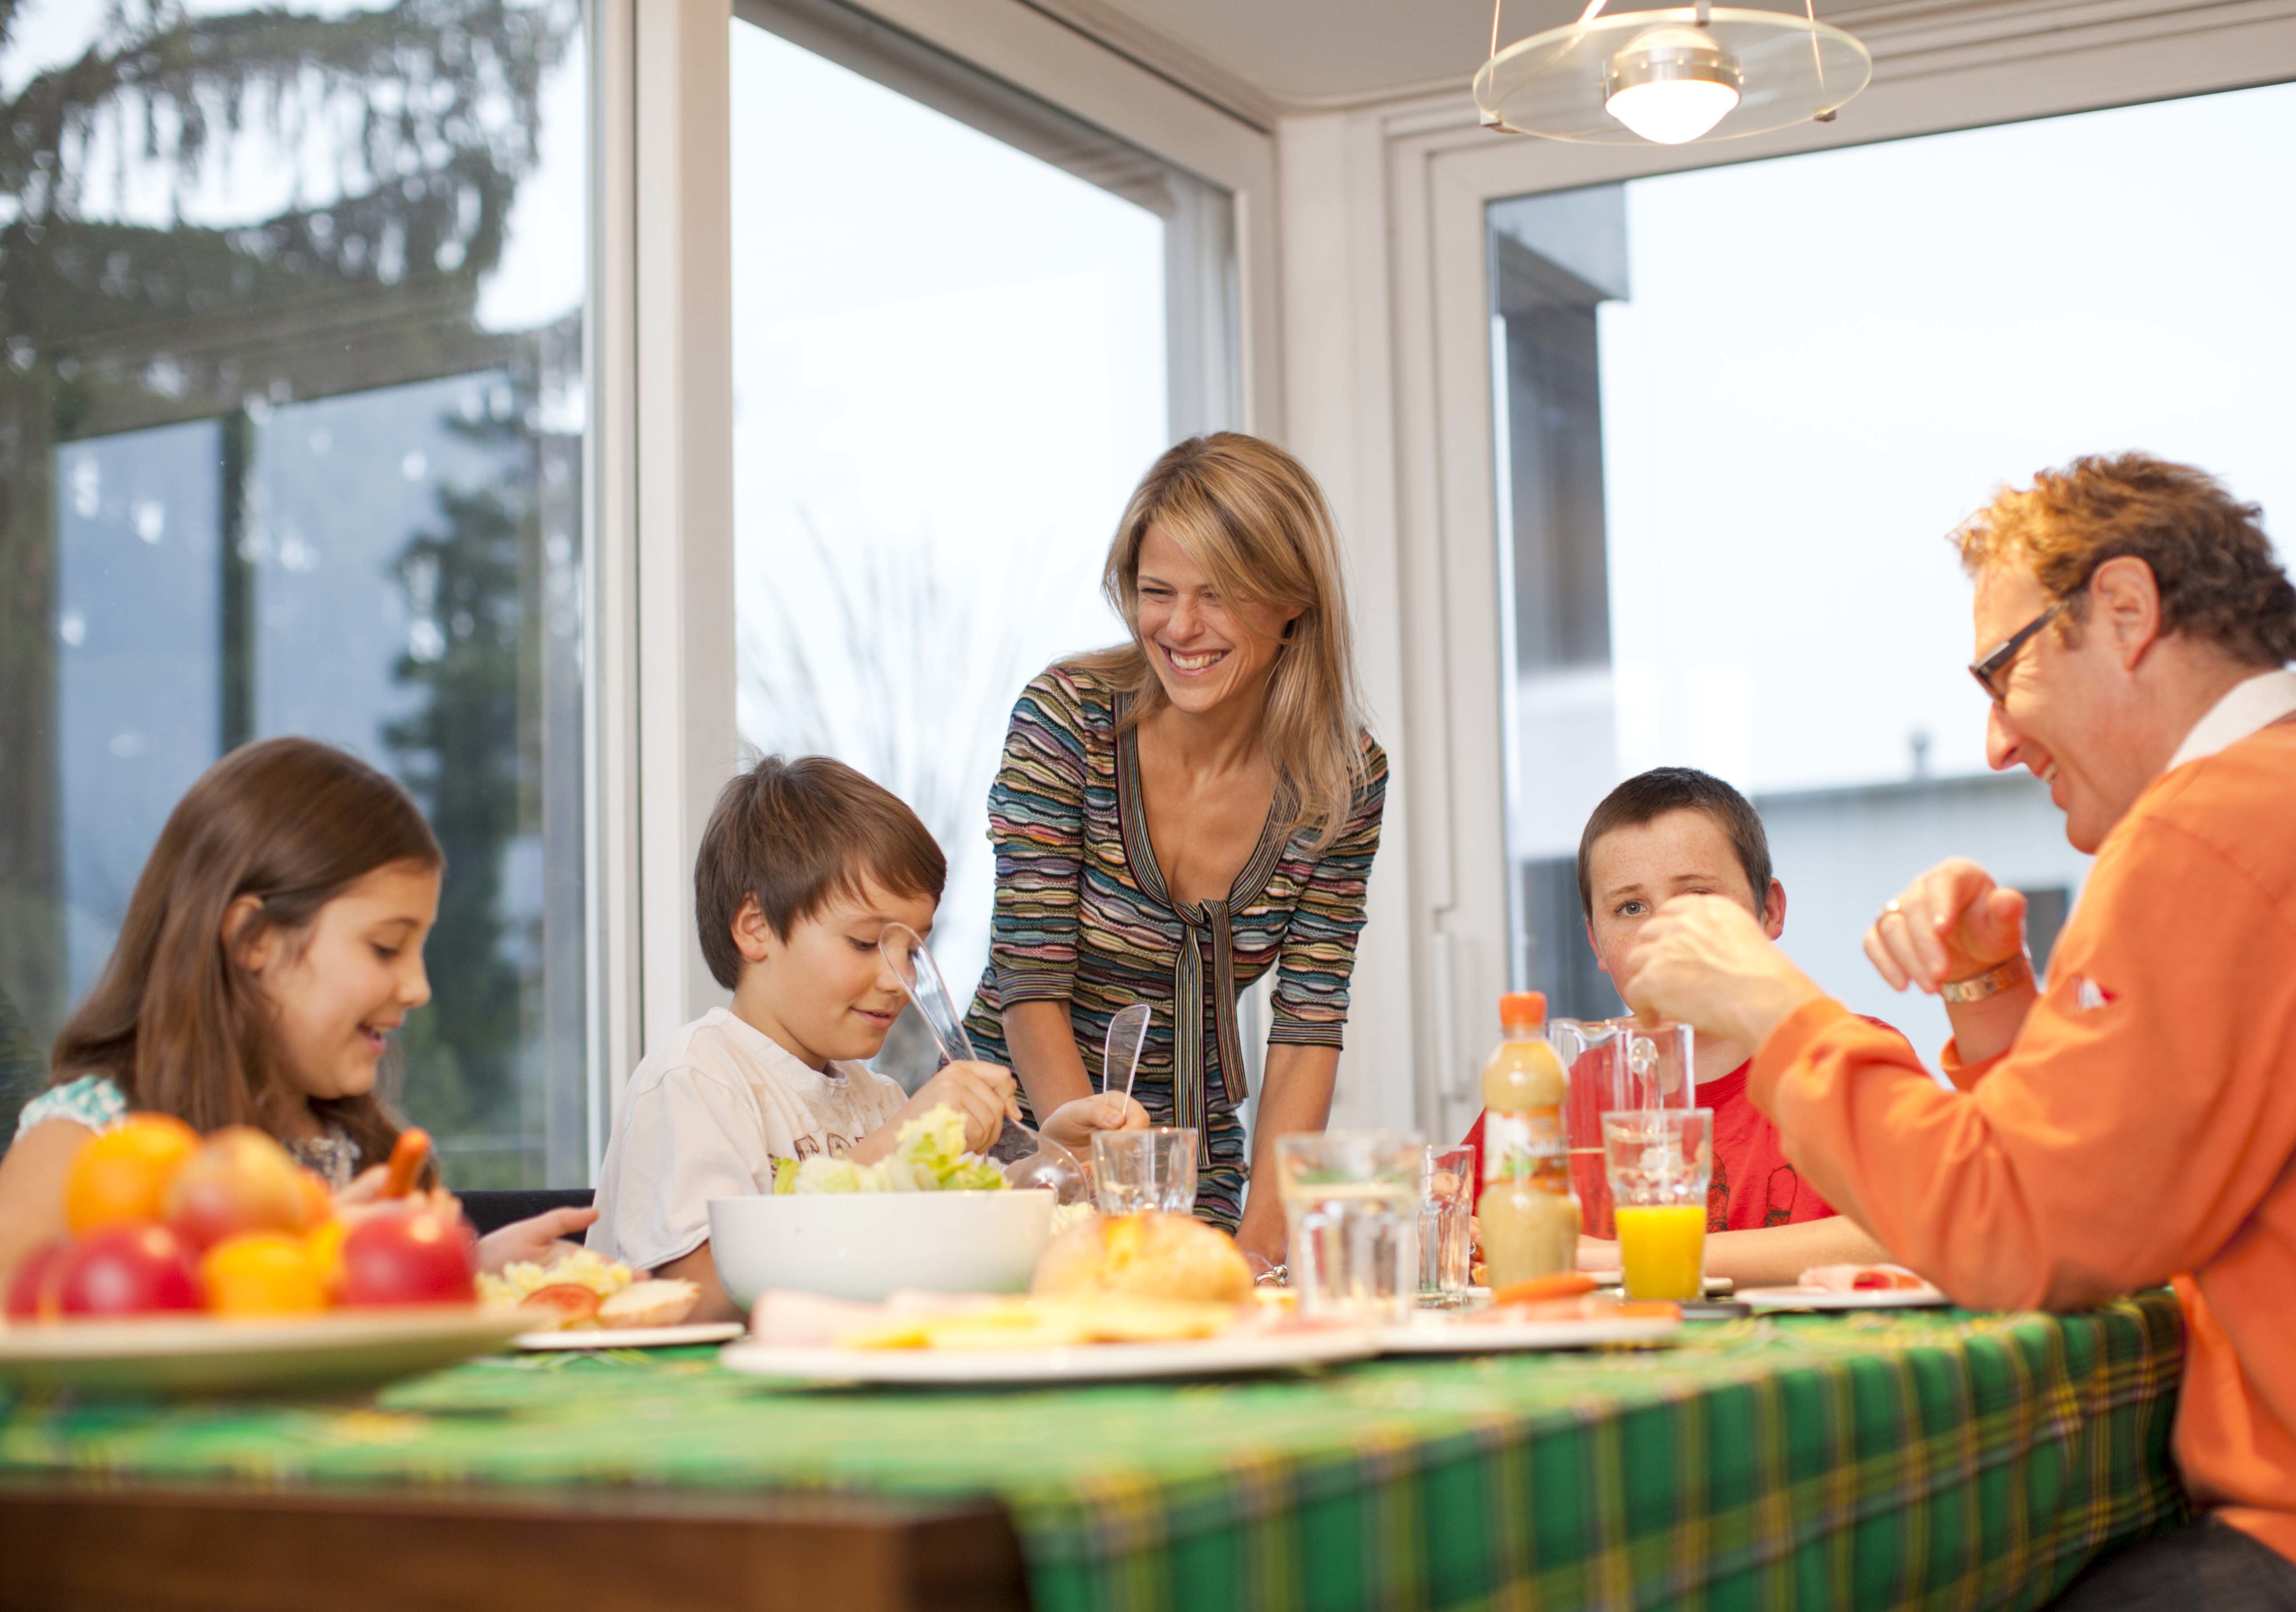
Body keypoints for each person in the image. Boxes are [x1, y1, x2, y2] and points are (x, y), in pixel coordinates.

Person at [1616, 454, 2296, 1612]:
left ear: (2126, 613)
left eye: (2004, 669)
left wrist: (1775, 1009)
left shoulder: (2217, 827)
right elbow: (2115, 1188)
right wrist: (1990, 996)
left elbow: (2018, 1232)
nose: (1993, 740)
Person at [966, 433, 1389, 1269]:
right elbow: (1030, 980)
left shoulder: (1342, 778)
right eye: (1156, 592)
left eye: (1219, 596)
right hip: (1019, 1146)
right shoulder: (1068, 721)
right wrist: (1097, 1197)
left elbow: (1308, 1025)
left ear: (1291, 600)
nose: (1180, 627)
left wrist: (1264, 1250)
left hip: (1195, 1161)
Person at [0, 738, 592, 1284]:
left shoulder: (357, 1147)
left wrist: (472, 1271)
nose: (417, 988)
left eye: (419, 949)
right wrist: (314, 1256)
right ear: (253, 939)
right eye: (385, 947)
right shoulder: (85, 1143)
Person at [591, 756, 1142, 1319]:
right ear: (756, 928)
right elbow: (695, 1300)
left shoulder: (876, 1099)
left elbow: (965, 1259)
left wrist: (1047, 1156)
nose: (897, 979)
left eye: (911, 949)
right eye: (864, 943)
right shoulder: (696, 1079)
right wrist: (889, 1150)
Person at [1459, 767, 1889, 1287]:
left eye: (1699, 897)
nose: (1664, 931)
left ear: (1769, 910)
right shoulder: (1547, 1098)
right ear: (1596, 943)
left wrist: (1612, 1257)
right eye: (1631, 907)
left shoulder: (1848, 1057)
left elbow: (1906, 1231)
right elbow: (1465, 1227)